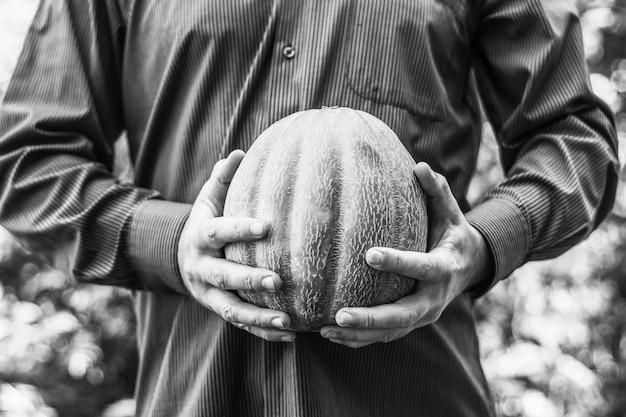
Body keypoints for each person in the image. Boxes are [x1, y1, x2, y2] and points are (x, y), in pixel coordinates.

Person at [0, 0, 618, 416]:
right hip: (199, 392)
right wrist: (171, 241)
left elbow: (575, 143)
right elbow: (27, 163)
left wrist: (480, 246)